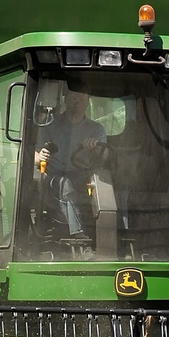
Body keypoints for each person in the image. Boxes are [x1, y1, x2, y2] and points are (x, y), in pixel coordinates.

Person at [35, 86, 108, 242]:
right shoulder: (49, 125)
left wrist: (95, 148)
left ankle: (113, 235)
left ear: (88, 102)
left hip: (85, 177)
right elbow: (33, 155)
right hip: (54, 177)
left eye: (82, 98)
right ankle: (79, 235)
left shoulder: (96, 129)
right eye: (74, 97)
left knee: (106, 186)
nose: (77, 101)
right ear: (65, 99)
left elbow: (105, 157)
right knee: (65, 184)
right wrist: (40, 156)